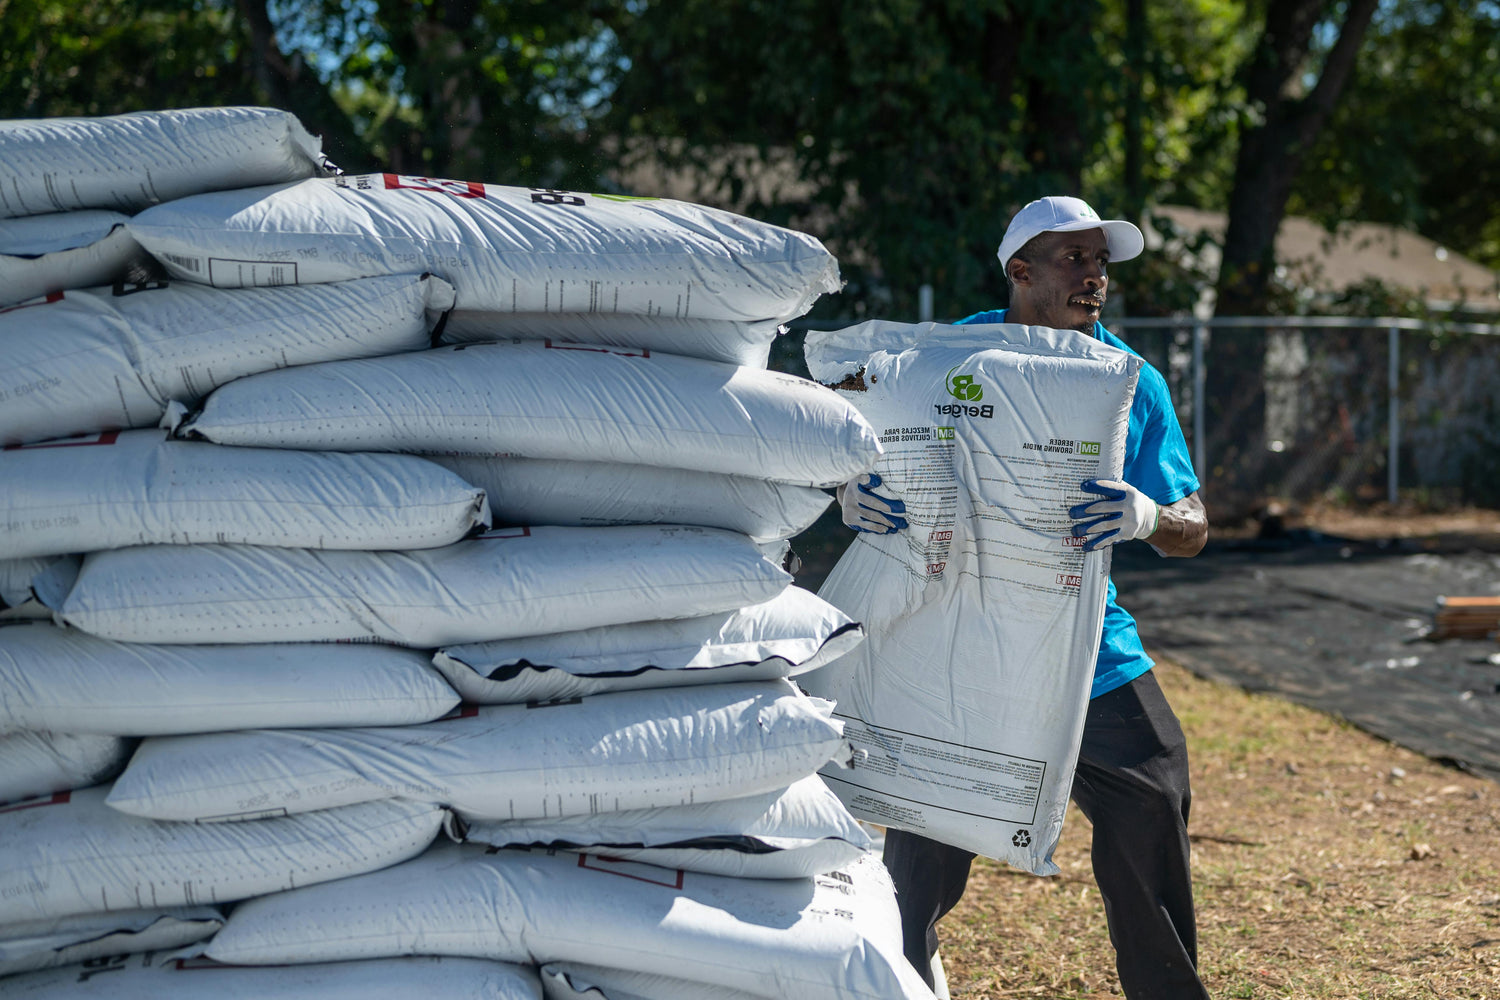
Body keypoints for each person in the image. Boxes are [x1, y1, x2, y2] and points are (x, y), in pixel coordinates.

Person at [838, 195, 1210, 1000]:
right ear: (1020, 271)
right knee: (928, 838)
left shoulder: (1127, 382)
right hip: (954, 642)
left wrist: (1148, 516)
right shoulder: (945, 360)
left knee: (1155, 789)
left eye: (1102, 262)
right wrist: (853, 495)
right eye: (1074, 259)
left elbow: (1195, 524)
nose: (1096, 276)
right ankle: (895, 979)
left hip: (1087, 648)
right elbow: (863, 446)